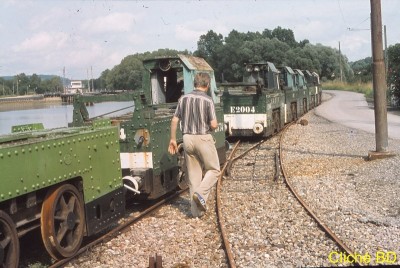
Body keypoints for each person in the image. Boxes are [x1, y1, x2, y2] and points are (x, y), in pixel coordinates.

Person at [168, 72, 221, 218]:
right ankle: (201, 193)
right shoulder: (208, 100)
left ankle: (196, 213)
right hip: (203, 138)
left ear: (195, 84)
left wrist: (173, 139)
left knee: (193, 175)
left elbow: (174, 121)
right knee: (214, 170)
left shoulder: (183, 99)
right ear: (207, 84)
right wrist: (215, 126)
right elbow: (214, 124)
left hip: (187, 139)